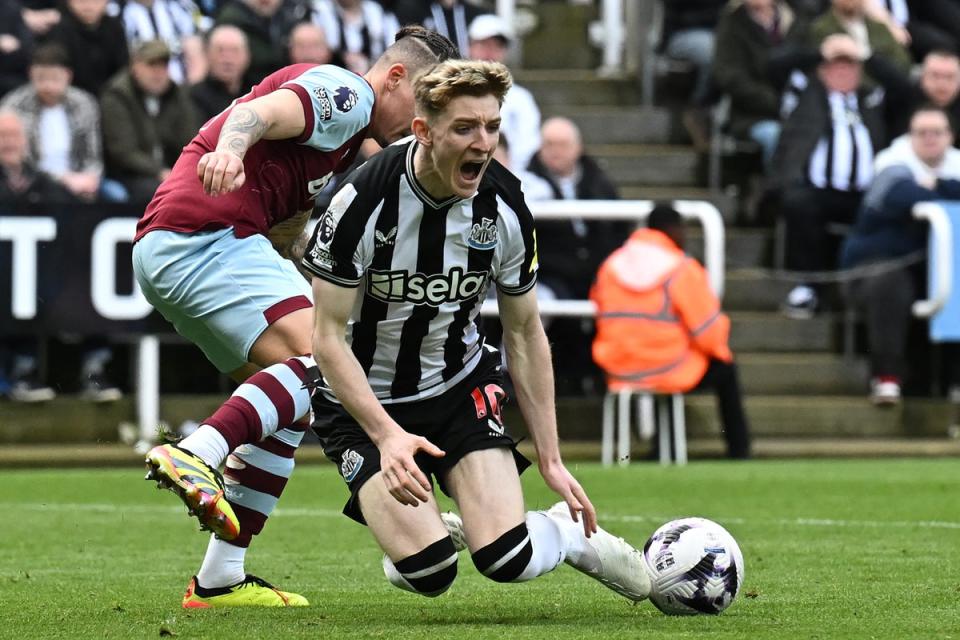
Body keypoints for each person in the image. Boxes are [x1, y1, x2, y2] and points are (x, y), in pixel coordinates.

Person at [300, 57, 650, 605]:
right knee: (430, 573)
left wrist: (551, 458)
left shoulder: (505, 204)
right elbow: (326, 338)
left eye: (491, 127)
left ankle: (568, 538)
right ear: (424, 131)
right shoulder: (361, 204)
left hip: (457, 387)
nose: (483, 143)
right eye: (465, 128)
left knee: (506, 558)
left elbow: (526, 331)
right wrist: (388, 436)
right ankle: (435, 539)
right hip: (364, 407)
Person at [139, 26, 459, 608]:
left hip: (190, 245)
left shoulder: (343, 141)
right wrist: (231, 151)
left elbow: (283, 228)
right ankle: (198, 451)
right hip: (203, 237)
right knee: (325, 363)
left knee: (296, 399)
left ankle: (219, 579)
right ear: (394, 79)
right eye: (424, 104)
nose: (425, 124)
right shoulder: (348, 94)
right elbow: (258, 114)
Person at [590, 204, 752, 459]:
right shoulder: (681, 268)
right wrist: (719, 350)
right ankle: (739, 450)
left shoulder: (611, 266)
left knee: (661, 362)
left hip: (617, 367)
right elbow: (709, 332)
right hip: (666, 366)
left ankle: (660, 448)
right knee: (725, 367)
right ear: (674, 229)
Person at [841, 105, 960, 404]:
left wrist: (939, 184)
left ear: (950, 136)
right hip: (874, 266)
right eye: (922, 133)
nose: (930, 139)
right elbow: (903, 196)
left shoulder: (955, 163)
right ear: (910, 136)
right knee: (890, 283)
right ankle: (886, 379)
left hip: (936, 270)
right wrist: (948, 189)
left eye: (937, 133)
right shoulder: (891, 161)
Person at [771, 37, 887, 318]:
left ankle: (862, 291)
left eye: (850, 67)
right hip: (819, 190)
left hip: (864, 193)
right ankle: (809, 287)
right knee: (797, 204)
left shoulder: (871, 100)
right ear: (821, 70)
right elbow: (774, 66)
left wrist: (866, 54)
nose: (843, 73)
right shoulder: (805, 95)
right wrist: (820, 51)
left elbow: (904, 88)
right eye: (836, 66)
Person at [526, 115, 626, 394]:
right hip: (552, 273)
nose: (556, 151)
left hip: (598, 271)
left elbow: (619, 230)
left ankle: (603, 378)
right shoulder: (527, 183)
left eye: (563, 144)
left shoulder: (600, 182)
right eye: (549, 144)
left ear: (578, 147)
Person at [100, 39, 198, 203]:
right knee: (159, 192)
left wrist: (182, 171)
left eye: (164, 66)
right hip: (128, 176)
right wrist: (160, 172)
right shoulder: (117, 96)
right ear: (135, 66)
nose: (158, 73)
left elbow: (190, 140)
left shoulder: (177, 95)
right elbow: (123, 152)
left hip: (170, 173)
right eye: (152, 65)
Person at [467, 14, 540, 172]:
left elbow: (528, 145)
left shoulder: (522, 99)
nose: (489, 53)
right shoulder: (453, 93)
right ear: (470, 47)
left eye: (497, 46)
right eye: (483, 45)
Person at [46, 0, 129, 97]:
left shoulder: (115, 28)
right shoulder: (59, 31)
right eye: (82, 1)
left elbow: (122, 68)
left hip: (112, 94)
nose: (88, 7)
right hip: (73, 95)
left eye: (95, 1)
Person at [309, 0, 399, 74]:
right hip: (332, 72)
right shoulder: (318, 10)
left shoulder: (379, 12)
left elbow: (395, 49)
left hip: (374, 72)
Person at [189, 25, 251, 123]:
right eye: (220, 50)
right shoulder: (192, 97)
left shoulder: (256, 93)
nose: (227, 59)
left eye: (235, 51)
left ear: (247, 56)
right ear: (208, 54)